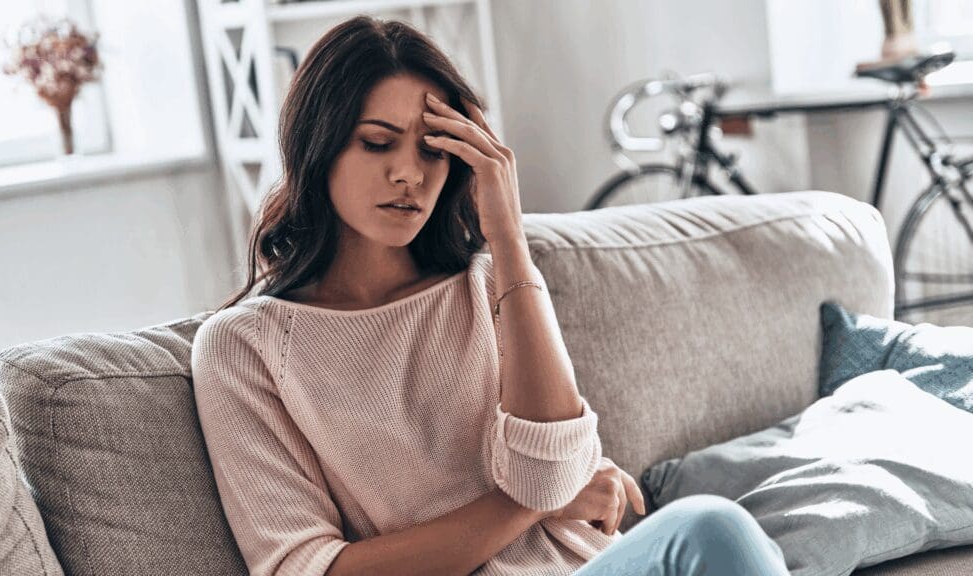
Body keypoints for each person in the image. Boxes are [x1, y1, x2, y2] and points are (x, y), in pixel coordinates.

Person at [190, 15, 790, 576]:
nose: (410, 174)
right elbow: (310, 568)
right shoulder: (244, 347)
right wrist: (528, 505)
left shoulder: (487, 284)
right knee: (710, 526)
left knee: (721, 531)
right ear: (316, 149)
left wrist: (507, 237)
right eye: (378, 143)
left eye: (433, 149)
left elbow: (552, 466)